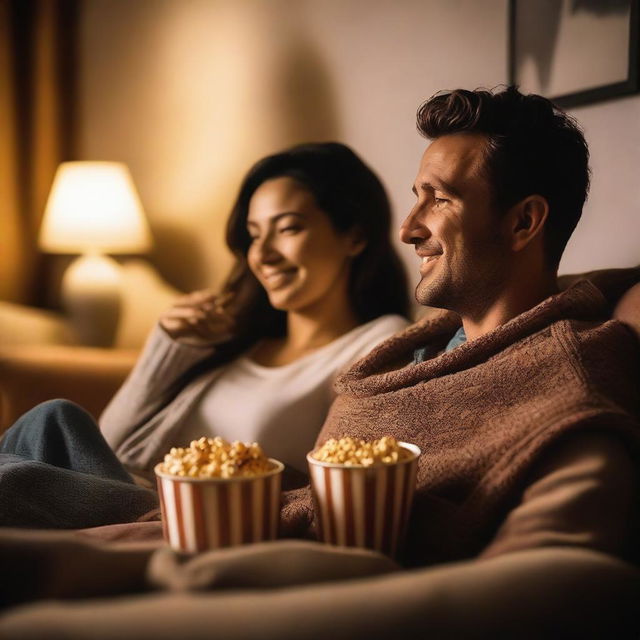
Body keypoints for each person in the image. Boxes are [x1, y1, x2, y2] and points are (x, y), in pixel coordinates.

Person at [281, 86, 640, 568]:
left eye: (440, 199)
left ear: (523, 222)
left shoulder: (569, 388)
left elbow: (542, 578)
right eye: (417, 199)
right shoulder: (410, 358)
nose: (407, 229)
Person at [0, 142, 410, 527]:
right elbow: (114, 447)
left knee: (18, 479)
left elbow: (345, 477)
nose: (262, 255)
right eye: (253, 234)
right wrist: (168, 348)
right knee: (53, 418)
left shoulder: (378, 343)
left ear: (354, 236)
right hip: (121, 494)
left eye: (287, 229)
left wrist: (222, 475)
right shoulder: (233, 338)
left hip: (185, 518)